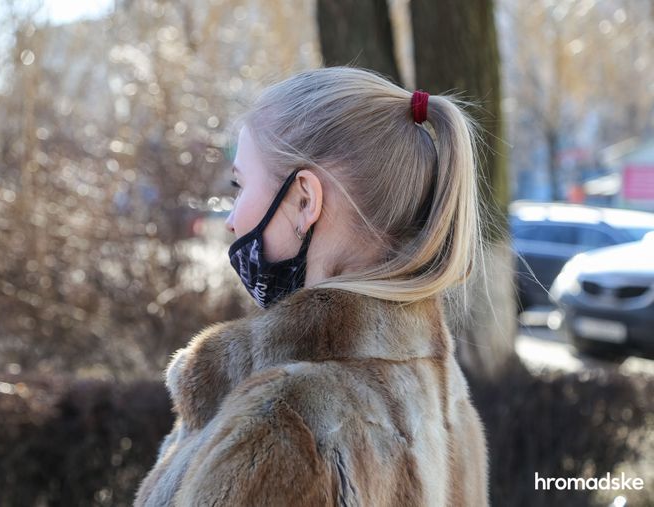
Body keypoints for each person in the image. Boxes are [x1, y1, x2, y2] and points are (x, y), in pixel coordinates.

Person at [134, 66, 490, 506]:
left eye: (239, 185)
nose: (231, 219)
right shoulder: (445, 394)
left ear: (305, 200)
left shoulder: (283, 427)